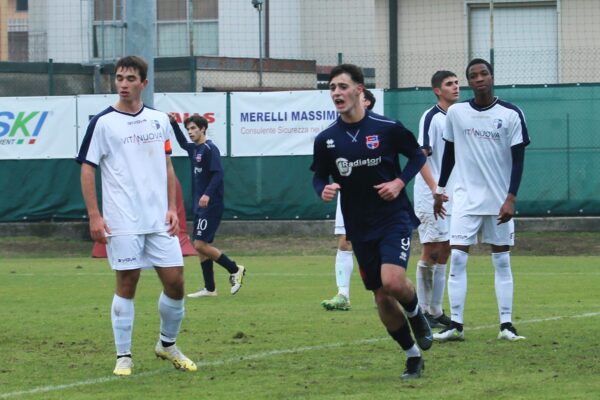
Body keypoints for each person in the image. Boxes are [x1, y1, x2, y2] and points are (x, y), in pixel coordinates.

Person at [77, 55, 197, 376]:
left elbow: (168, 165)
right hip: (122, 220)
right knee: (127, 283)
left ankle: (167, 344)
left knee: (176, 282)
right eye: (119, 78)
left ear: (144, 83)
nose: (124, 84)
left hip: (159, 219)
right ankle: (123, 356)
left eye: (131, 79)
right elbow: (87, 169)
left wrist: (172, 208)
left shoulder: (159, 120)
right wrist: (94, 215)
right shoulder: (102, 122)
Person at [311, 64, 432, 379]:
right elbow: (319, 174)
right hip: (359, 225)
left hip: (393, 218)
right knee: (380, 296)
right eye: (332, 88)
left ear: (359, 91)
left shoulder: (387, 127)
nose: (336, 93)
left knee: (393, 282)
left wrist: (399, 183)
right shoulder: (327, 139)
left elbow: (418, 156)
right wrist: (322, 188)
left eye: (342, 86)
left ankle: (417, 314)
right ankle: (412, 356)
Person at [433, 58, 529, 342]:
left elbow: (519, 160)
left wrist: (511, 198)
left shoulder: (511, 113)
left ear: (491, 77)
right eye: (472, 76)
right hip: (464, 199)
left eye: (483, 73)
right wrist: (440, 190)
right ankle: (456, 326)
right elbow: (449, 154)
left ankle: (506, 326)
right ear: (468, 82)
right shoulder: (457, 113)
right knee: (458, 258)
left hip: (499, 202)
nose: (478, 79)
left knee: (501, 261)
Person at [168, 113, 246, 298]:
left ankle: (235, 269)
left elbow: (218, 174)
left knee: (200, 244)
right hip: (200, 205)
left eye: (194, 128)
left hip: (211, 205)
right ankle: (210, 288)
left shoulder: (210, 149)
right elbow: (180, 142)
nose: (190, 132)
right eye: (188, 129)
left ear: (203, 128)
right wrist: (174, 124)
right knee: (200, 246)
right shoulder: (194, 149)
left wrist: (207, 195)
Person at [321, 88, 376, 311]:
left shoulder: (378, 129)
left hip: (373, 196)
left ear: (368, 102)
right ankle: (343, 295)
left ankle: (380, 291)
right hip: (348, 195)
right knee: (345, 241)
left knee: (373, 243)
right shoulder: (337, 132)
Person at [413, 71, 460, 329]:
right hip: (430, 193)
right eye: (449, 84)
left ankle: (436, 309)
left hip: (452, 192)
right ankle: (421, 311)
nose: (455, 87)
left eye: (456, 83)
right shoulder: (431, 117)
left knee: (447, 248)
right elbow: (421, 156)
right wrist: (435, 189)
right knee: (431, 248)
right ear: (437, 90)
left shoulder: (460, 115)